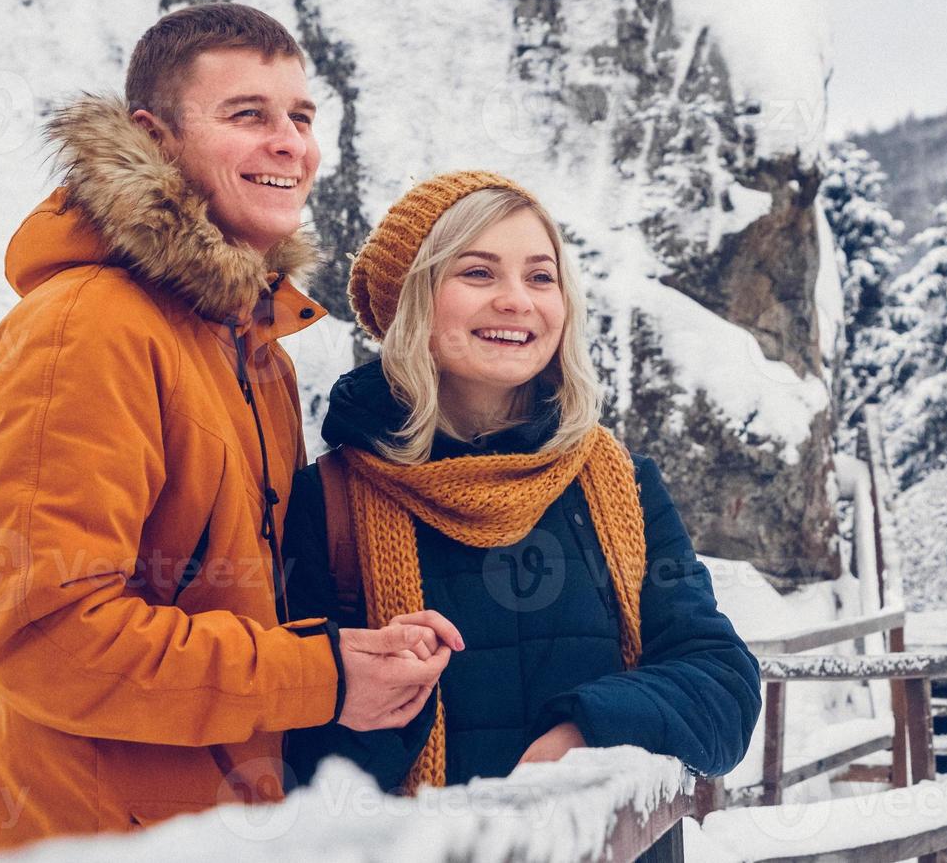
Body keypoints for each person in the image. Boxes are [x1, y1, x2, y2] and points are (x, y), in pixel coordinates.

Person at [0, 3, 459, 858]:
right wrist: (326, 676)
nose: (289, 143)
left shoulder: (256, 349)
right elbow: (49, 637)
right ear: (154, 139)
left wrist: (361, 645)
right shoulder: (86, 327)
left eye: (300, 116)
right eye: (247, 115)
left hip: (226, 832)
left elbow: (228, 599)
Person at [281, 171, 761, 792]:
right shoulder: (330, 503)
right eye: (477, 272)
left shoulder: (624, 488)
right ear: (410, 302)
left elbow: (721, 684)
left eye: (541, 276)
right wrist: (379, 699)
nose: (517, 300)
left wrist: (585, 735)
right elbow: (294, 762)